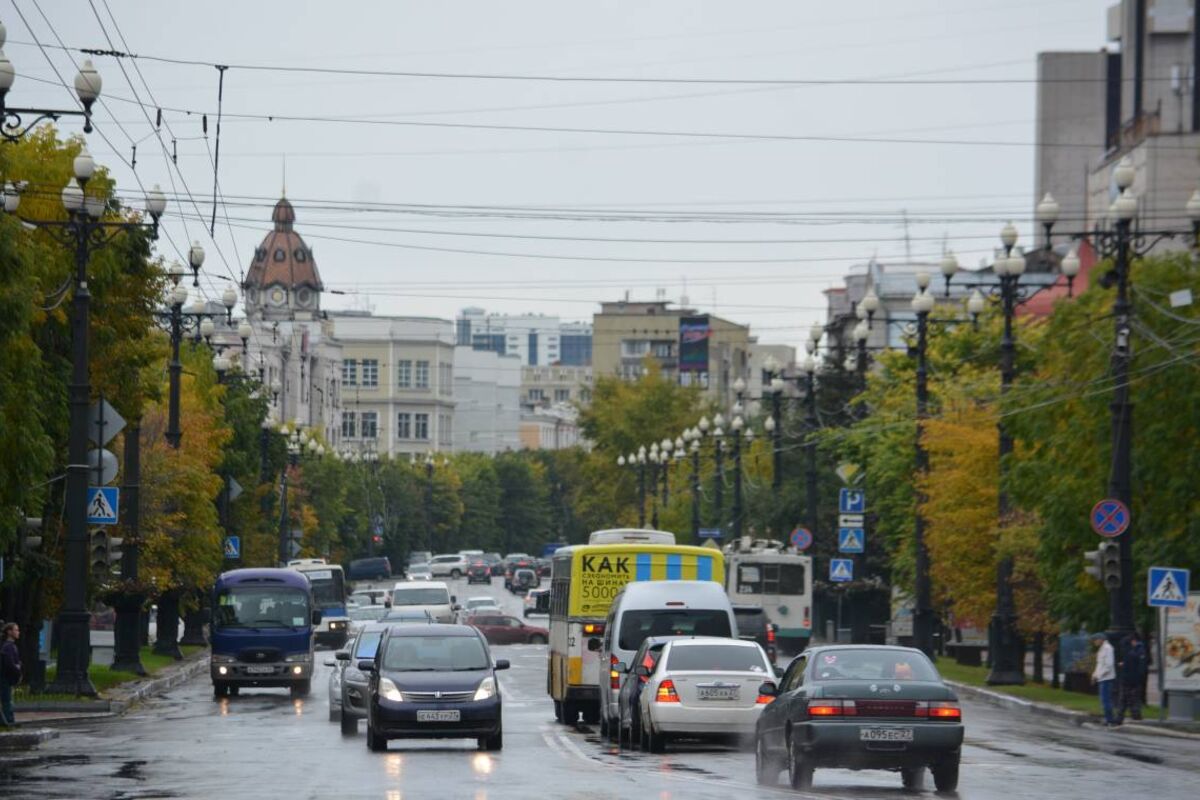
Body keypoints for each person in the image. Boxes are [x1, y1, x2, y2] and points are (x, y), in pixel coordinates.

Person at [1117, 630, 1148, 723]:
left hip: (1131, 678)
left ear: (1133, 641)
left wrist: (1125, 664)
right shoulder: (1137, 649)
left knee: (1127, 698)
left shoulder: (1136, 650)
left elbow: (1137, 664)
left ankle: (1125, 716)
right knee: (1130, 698)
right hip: (1131, 678)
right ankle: (1133, 715)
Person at [1090, 632, 1117, 727]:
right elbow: (1099, 664)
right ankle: (1107, 718)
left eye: (1095, 640)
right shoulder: (1102, 649)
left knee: (1106, 700)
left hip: (1106, 678)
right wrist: (1094, 675)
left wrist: (1098, 675)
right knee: (1104, 700)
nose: (1094, 642)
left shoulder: (1107, 649)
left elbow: (1108, 665)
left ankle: (1110, 720)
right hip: (1102, 678)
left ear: (1100, 639)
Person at [0, 622, 22, 727]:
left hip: (7, 678)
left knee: (7, 700)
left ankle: (8, 720)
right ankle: (8, 721)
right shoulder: (8, 647)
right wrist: (17, 669)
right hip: (5, 678)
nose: (18, 632)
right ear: (9, 632)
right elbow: (10, 664)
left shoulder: (10, 646)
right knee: (6, 700)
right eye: (16, 630)